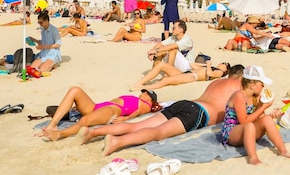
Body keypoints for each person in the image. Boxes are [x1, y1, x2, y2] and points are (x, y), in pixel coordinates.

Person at [81, 65, 246, 156]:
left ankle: (93, 132)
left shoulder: (215, 83)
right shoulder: (238, 88)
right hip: (199, 113)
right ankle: (117, 142)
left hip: (185, 103)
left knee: (138, 125)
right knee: (157, 133)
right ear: (241, 77)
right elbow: (240, 115)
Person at [221, 65, 290, 165]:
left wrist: (271, 115)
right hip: (233, 133)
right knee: (249, 126)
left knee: (267, 119)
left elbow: (260, 117)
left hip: (248, 131)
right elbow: (244, 121)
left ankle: (283, 151)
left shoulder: (256, 97)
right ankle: (253, 158)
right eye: (261, 83)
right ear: (252, 85)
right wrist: (263, 107)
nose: (263, 86)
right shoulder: (239, 96)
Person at [39, 87, 160, 141]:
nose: (143, 93)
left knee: (85, 120)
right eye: (143, 91)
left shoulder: (146, 104)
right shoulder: (136, 98)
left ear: (150, 98)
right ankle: (53, 124)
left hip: (113, 110)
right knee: (74, 90)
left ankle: (60, 134)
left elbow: (138, 112)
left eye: (146, 93)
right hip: (99, 106)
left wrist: (126, 118)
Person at [131, 60, 233, 91]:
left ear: (225, 69)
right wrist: (206, 64)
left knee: (166, 80)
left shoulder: (219, 72)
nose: (222, 63)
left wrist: (209, 65)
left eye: (224, 63)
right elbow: (192, 65)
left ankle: (144, 87)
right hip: (186, 73)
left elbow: (210, 74)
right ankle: (139, 82)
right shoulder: (211, 67)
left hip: (191, 76)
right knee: (161, 65)